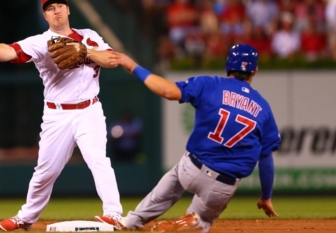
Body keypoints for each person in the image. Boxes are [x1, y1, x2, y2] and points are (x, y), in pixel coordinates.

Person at [101, 44, 281, 232]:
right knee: (202, 222)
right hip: (222, 184)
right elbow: (266, 158)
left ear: (228, 65)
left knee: (176, 176)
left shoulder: (209, 84)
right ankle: (193, 221)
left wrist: (133, 66)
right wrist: (266, 197)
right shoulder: (263, 108)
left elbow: (167, 91)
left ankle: (133, 220)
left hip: (191, 168)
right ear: (255, 70)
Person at [0, 0, 123, 231]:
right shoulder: (40, 42)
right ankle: (25, 218)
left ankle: (114, 214)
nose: (56, 11)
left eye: (59, 6)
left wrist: (84, 50)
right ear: (45, 15)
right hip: (58, 114)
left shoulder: (89, 36)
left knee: (98, 160)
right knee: (45, 171)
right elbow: (11, 51)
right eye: (50, 8)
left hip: (89, 110)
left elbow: (112, 60)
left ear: (68, 9)